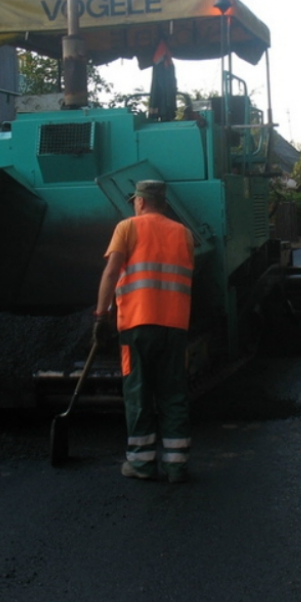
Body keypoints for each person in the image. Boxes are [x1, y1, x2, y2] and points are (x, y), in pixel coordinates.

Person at [95, 180, 195, 483]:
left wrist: (101, 316)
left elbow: (112, 271)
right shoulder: (185, 234)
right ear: (163, 203)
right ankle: (176, 465)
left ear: (139, 202)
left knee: (139, 392)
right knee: (173, 393)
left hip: (137, 326)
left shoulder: (127, 228)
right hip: (175, 326)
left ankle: (141, 464)